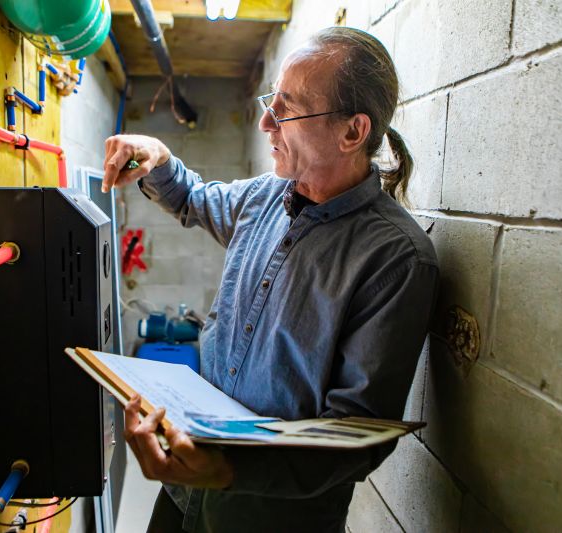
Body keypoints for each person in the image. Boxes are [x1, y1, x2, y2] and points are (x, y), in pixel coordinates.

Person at [102, 27, 438, 533]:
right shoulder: (264, 197)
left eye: (286, 108)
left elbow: (355, 434)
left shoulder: (395, 258)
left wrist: (231, 469)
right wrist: (156, 153)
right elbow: (195, 199)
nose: (265, 123)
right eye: (269, 102)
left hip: (267, 517)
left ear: (352, 132)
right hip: (184, 494)